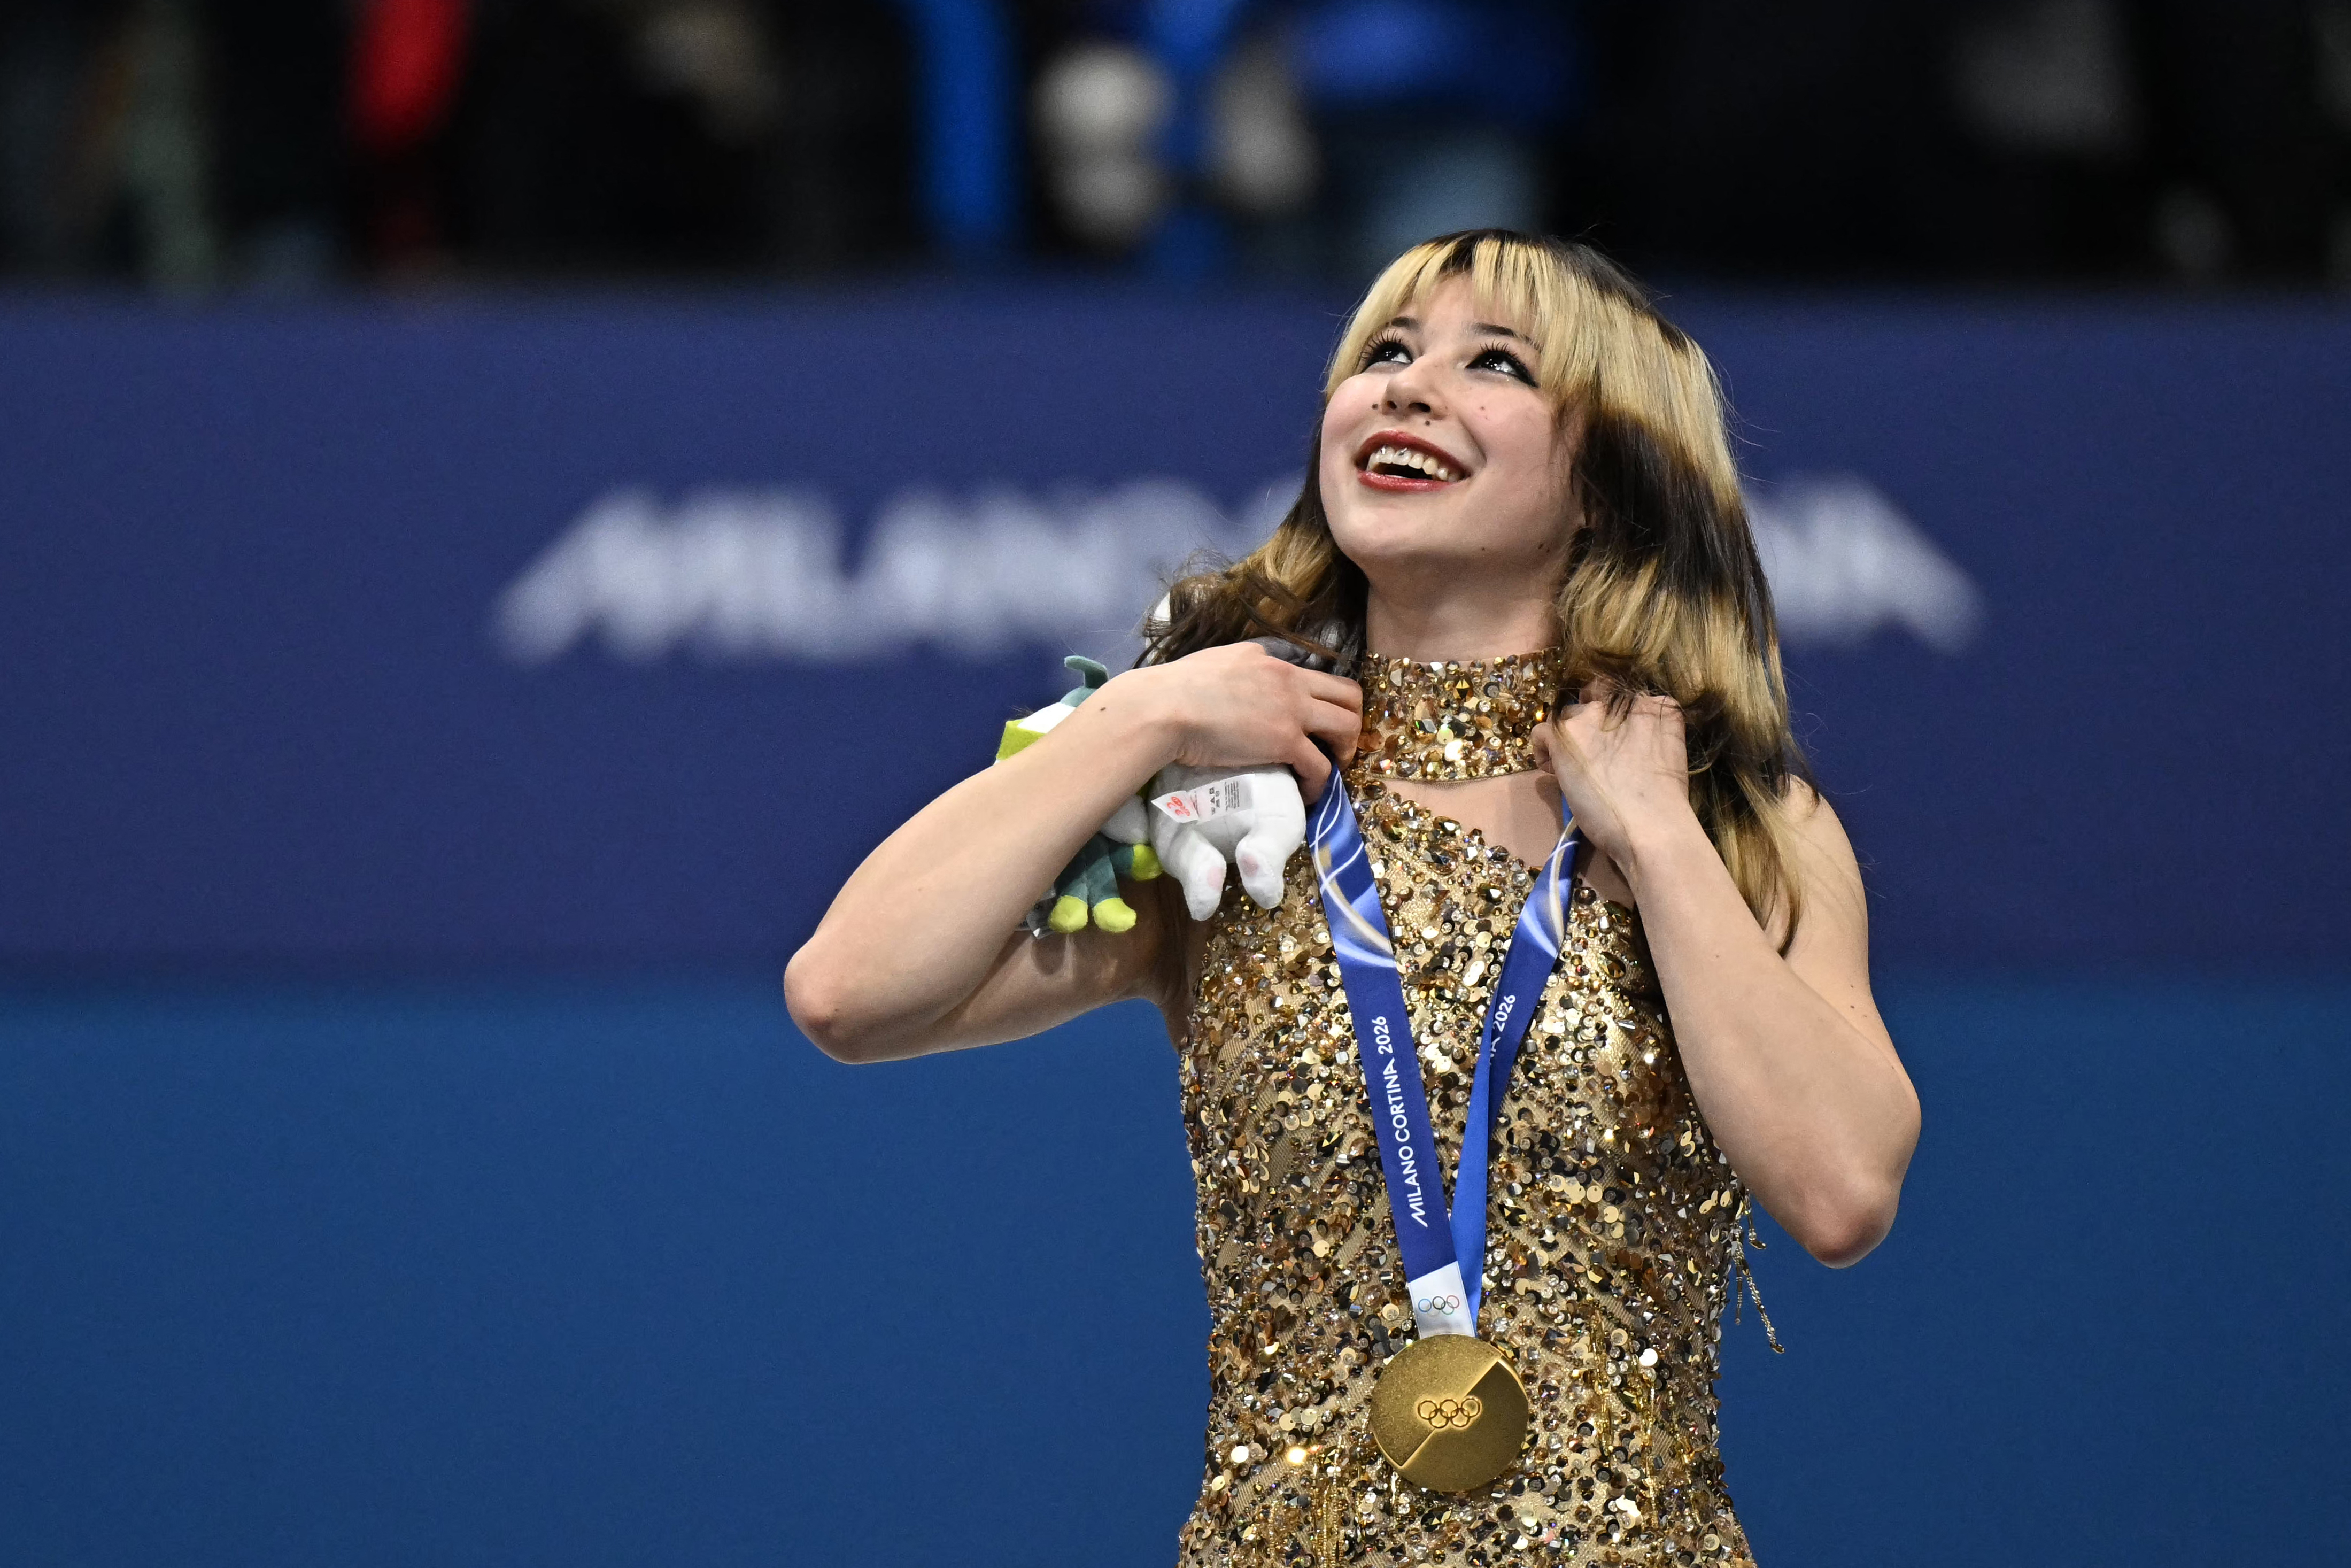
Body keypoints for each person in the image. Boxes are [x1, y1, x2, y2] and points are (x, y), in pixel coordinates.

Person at [785, 229, 1920, 1567]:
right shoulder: (1228, 814)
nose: (1408, 386)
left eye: (1493, 363)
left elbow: (1843, 1192)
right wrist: (1142, 716)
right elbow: (845, 992)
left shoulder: (1742, 821)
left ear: (1609, 482)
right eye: (1384, 352)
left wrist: (1658, 839)